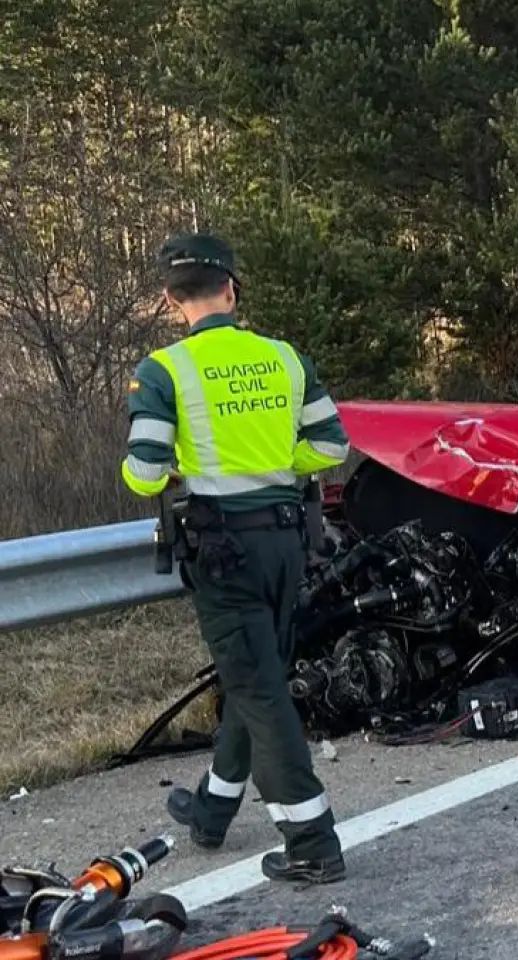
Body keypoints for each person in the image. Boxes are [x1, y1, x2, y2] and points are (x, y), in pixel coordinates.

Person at [121, 234, 350, 885]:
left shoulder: (165, 370)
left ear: (172, 300)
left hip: (223, 552)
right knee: (259, 675)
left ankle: (311, 841)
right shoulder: (284, 358)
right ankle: (214, 809)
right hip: (287, 544)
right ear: (231, 290)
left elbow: (144, 471)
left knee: (256, 687)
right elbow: (331, 446)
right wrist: (275, 465)